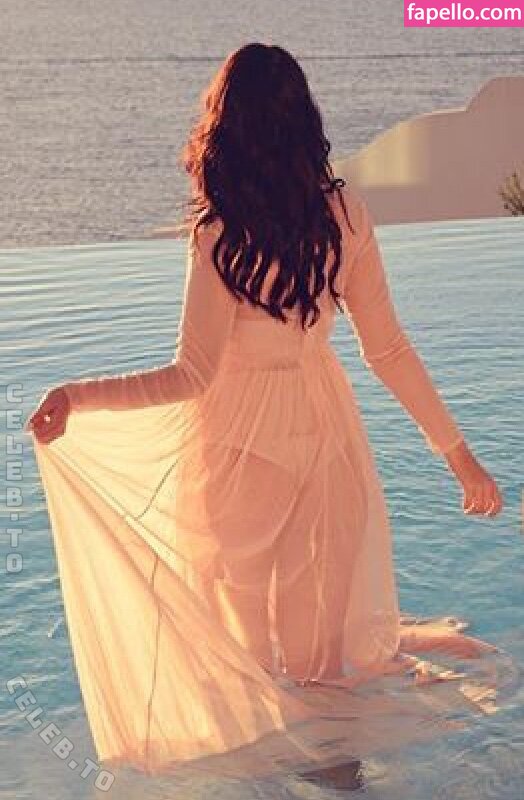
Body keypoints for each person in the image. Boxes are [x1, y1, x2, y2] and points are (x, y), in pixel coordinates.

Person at [26, 43, 503, 783]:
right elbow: (388, 349)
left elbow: (190, 376)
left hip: (237, 454)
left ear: (225, 130)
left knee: (245, 674)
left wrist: (77, 395)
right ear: (304, 123)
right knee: (321, 672)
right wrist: (458, 455)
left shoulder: (219, 235)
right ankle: (343, 784)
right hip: (324, 441)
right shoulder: (344, 217)